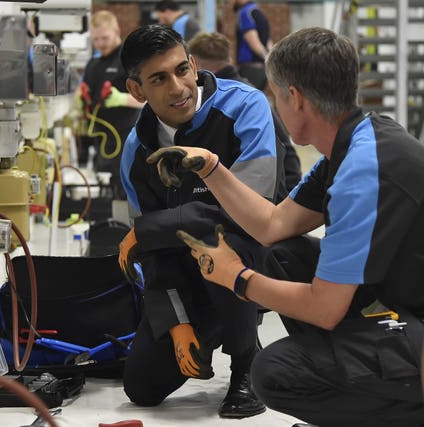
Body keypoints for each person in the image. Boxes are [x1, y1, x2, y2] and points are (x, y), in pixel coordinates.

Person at [149, 27, 424, 426]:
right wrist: (211, 168)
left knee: (274, 373)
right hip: (405, 304)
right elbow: (272, 225)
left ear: (294, 97)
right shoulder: (354, 142)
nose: (274, 104)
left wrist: (237, 278)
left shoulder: (361, 172)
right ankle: (359, 377)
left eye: (275, 95)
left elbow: (325, 310)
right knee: (282, 254)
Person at [118, 24, 286, 419]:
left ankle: (246, 360)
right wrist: (176, 322)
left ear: (194, 65)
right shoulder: (135, 151)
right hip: (183, 272)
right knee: (141, 388)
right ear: (137, 90)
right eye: (159, 79)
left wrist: (146, 230)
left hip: (247, 256)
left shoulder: (246, 107)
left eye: (181, 70)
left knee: (222, 244)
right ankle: (206, 326)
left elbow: (251, 211)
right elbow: (154, 256)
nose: (178, 88)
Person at [188, 31, 302, 193]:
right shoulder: (250, 94)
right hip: (281, 191)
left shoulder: (228, 101)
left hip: (262, 199)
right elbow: (287, 151)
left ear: (195, 65)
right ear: (229, 59)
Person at [79, 10, 144, 200]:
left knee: (128, 191)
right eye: (96, 39)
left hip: (127, 138)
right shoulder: (94, 62)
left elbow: (149, 99)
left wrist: (122, 99)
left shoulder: (130, 60)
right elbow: (87, 92)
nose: (100, 44)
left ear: (117, 30)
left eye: (105, 38)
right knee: (107, 193)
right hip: (102, 139)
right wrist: (81, 99)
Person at [230, 0, 271, 91]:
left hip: (250, 69)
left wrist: (268, 59)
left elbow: (254, 42)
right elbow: (267, 41)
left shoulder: (244, 12)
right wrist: (269, 60)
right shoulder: (258, 11)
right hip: (262, 70)